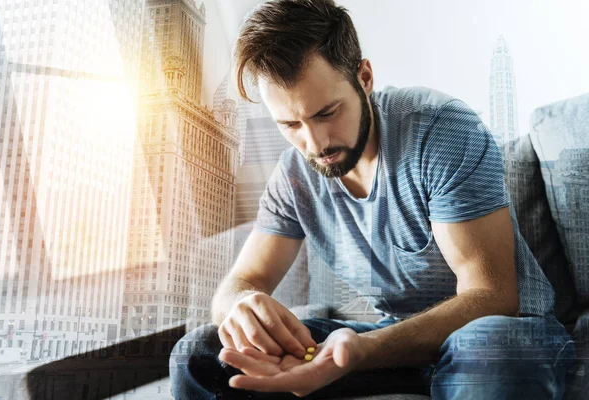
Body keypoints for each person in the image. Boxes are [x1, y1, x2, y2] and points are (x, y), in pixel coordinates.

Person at [169, 0, 577, 398]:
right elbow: (240, 283)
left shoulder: (440, 130)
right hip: (390, 339)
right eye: (291, 124)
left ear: (364, 77)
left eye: (327, 112)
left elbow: (492, 297)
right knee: (200, 353)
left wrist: (364, 352)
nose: (315, 143)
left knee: (490, 350)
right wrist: (241, 306)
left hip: (503, 332)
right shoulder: (293, 174)